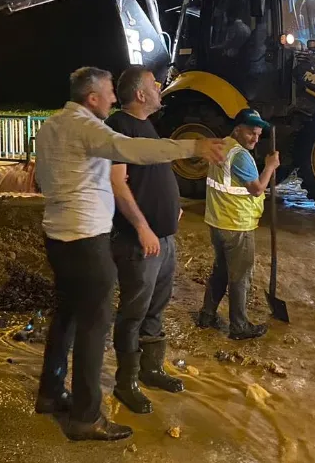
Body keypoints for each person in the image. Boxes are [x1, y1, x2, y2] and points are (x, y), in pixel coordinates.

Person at [33, 66, 226, 441]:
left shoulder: (52, 124)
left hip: (58, 236)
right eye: (107, 92)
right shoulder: (87, 127)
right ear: (91, 98)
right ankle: (86, 417)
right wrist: (193, 146)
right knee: (94, 326)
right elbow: (132, 151)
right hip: (86, 241)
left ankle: (51, 392)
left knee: (67, 317)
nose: (111, 98)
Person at [104, 66, 185, 414]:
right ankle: (127, 382)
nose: (160, 87)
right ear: (139, 94)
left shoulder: (147, 127)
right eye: (154, 85)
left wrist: (174, 207)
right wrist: (142, 227)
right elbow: (117, 182)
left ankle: (151, 370)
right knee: (134, 311)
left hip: (164, 240)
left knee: (156, 307)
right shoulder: (119, 127)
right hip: (141, 242)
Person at [196, 108, 280, 340]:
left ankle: (207, 315)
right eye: (251, 133)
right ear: (238, 129)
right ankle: (239, 326)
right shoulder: (241, 156)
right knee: (240, 276)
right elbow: (256, 189)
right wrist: (270, 166)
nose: (255, 138)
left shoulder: (222, 145)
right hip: (236, 225)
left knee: (221, 270)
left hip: (216, 221)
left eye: (259, 134)